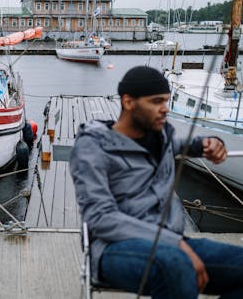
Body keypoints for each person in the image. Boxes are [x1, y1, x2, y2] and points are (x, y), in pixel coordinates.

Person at [69, 66, 243, 299]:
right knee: (175, 265)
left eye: (167, 101)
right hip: (114, 247)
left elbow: (186, 145)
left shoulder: (161, 138)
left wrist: (212, 142)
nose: (165, 109)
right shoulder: (93, 147)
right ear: (129, 102)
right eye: (157, 102)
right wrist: (175, 244)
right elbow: (101, 218)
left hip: (171, 244)